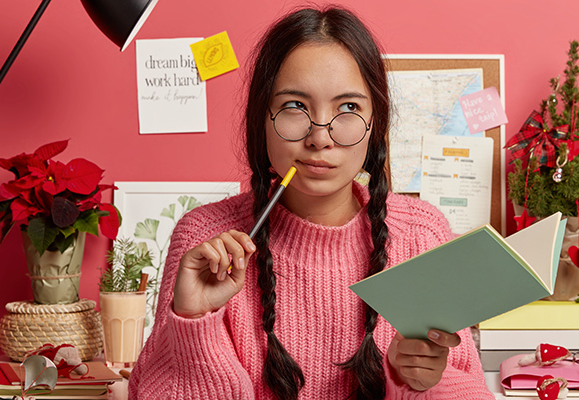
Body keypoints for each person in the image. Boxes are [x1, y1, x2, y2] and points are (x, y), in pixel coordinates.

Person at [129, 6, 494, 400]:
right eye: (295, 106)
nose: (320, 137)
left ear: (376, 123)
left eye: (349, 108)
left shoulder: (423, 235)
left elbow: (468, 389)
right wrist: (194, 323)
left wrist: (420, 384)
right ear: (261, 119)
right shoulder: (205, 240)